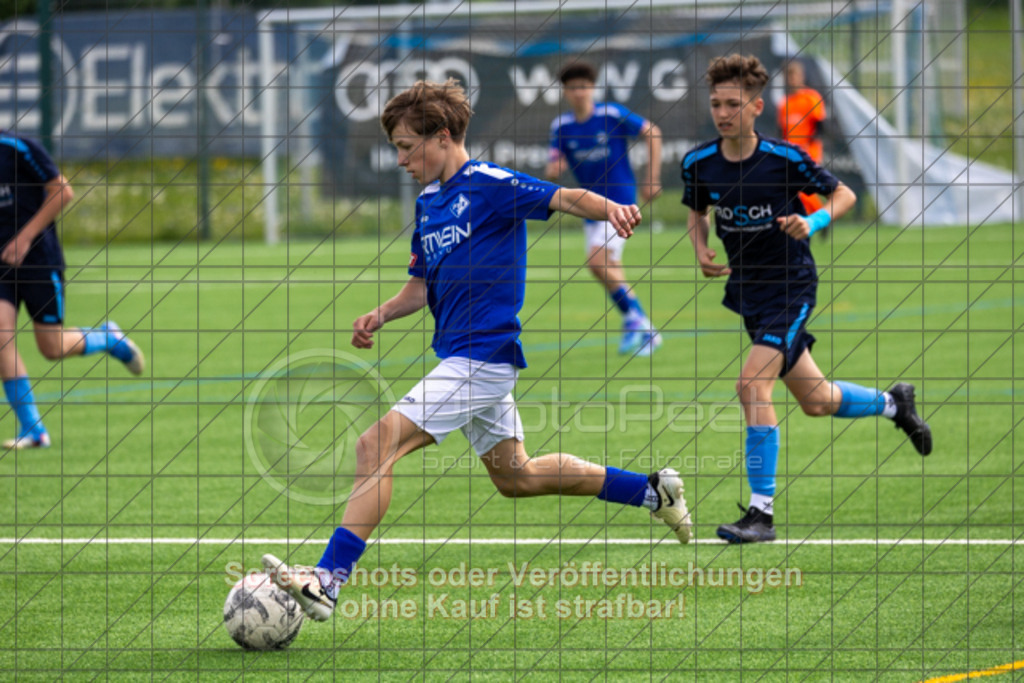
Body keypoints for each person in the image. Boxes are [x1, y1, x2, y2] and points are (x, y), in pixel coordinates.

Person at [263, 79, 691, 621]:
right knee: (518, 477)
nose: (399, 159)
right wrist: (381, 313)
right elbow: (419, 287)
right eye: (395, 147)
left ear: (442, 137)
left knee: (375, 446)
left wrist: (613, 208)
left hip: (482, 359)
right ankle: (653, 492)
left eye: (405, 146)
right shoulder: (429, 203)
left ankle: (327, 580)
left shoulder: (488, 183)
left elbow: (560, 196)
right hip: (464, 360)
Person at [680, 55, 932, 544]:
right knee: (816, 401)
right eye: (716, 104)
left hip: (791, 285)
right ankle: (893, 405)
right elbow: (696, 210)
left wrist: (811, 221)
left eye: (733, 104)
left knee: (752, 386)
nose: (723, 112)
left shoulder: (783, 159)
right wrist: (700, 249)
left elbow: (844, 196)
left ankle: (761, 515)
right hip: (748, 292)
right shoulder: (698, 163)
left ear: (757, 107)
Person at [0, 130, 144, 450]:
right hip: (1, 266)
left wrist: (24, 237)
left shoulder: (16, 148)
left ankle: (108, 338)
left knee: (51, 347)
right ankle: (33, 430)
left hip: (38, 259)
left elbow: (62, 191)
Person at [546, 61, 663, 356]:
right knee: (608, 269)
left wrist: (652, 178)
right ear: (565, 92)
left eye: (583, 86)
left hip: (621, 203)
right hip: (590, 209)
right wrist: (554, 169)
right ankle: (644, 328)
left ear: (592, 88)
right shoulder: (561, 127)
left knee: (598, 261)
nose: (579, 93)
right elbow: (553, 166)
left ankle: (636, 320)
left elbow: (653, 133)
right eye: (572, 88)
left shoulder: (611, 115)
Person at [777, 59, 828, 219]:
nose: (792, 79)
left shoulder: (811, 98)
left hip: (809, 150)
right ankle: (815, 215)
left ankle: (820, 214)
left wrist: (809, 143)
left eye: (795, 75)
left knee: (802, 186)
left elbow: (820, 126)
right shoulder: (784, 103)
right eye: (788, 75)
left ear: (802, 76)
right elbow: (782, 132)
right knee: (797, 188)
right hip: (791, 152)